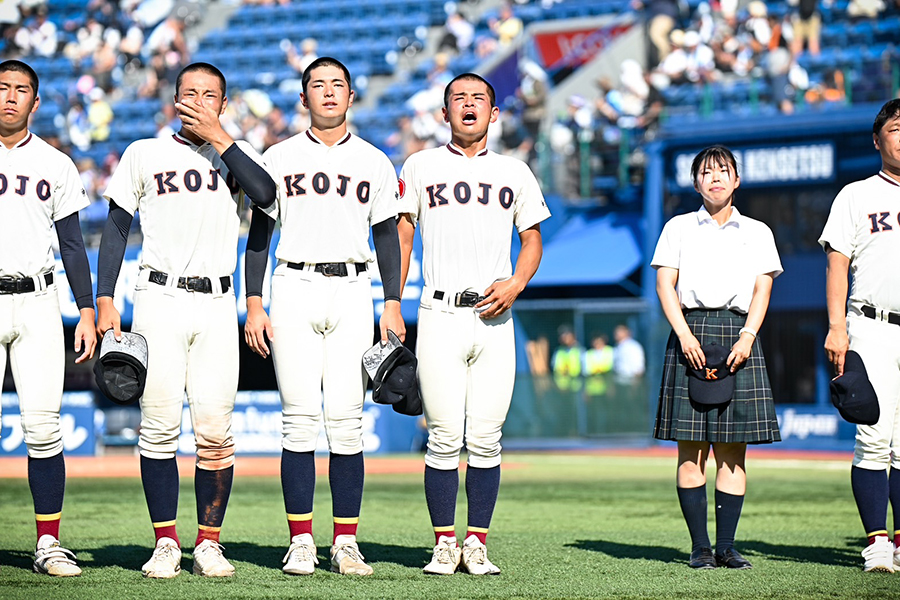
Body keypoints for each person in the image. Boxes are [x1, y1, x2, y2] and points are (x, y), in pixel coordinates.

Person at [96, 62, 276, 579]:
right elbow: (115, 227)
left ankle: (209, 543)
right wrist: (105, 299)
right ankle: (166, 542)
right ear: (174, 100)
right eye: (189, 93)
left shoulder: (237, 158)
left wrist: (222, 138)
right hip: (158, 298)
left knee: (216, 431)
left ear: (223, 102)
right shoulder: (144, 153)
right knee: (157, 428)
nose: (198, 100)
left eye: (209, 94)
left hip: (218, 303)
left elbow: (265, 197)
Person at [243, 56, 403, 577]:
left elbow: (385, 238)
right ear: (303, 98)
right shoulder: (279, 155)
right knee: (298, 420)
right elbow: (260, 238)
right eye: (318, 85)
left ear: (352, 96)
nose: (329, 92)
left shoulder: (376, 161)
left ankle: (346, 541)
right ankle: (301, 540)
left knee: (347, 423)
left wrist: (392, 301)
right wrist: (253, 302)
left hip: (354, 288)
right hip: (293, 284)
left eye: (338, 85)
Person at [397, 73, 550, 575]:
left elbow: (532, 241)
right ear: (444, 114)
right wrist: (392, 302)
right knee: (443, 436)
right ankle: (445, 543)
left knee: (486, 437)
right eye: (458, 99)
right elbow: (402, 235)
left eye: (477, 99)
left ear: (494, 113)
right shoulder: (420, 165)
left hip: (495, 315)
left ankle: (476, 543)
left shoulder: (515, 171)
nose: (468, 105)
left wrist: (516, 283)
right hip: (439, 311)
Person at [651, 144, 782, 570]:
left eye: (723, 170)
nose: (715, 177)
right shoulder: (678, 227)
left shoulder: (758, 231)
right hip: (689, 333)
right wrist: (684, 334)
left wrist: (748, 336)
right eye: (706, 172)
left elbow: (763, 288)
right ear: (695, 183)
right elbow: (665, 286)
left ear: (737, 180)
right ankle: (700, 548)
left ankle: (727, 547)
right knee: (691, 451)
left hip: (739, 332)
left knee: (732, 450)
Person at [0, 59, 96, 577]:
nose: (10, 97)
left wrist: (86, 311)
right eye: (2, 88)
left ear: (35, 103)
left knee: (43, 429)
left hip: (38, 299)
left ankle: (47, 542)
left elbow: (74, 246)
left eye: (21, 91)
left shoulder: (56, 164)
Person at [819, 98, 900, 573]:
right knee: (872, 435)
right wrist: (837, 327)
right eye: (896, 128)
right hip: (871, 324)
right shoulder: (855, 194)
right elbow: (837, 265)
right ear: (877, 140)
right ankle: (877, 542)